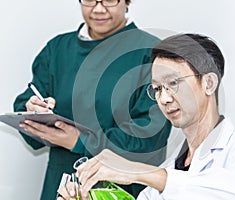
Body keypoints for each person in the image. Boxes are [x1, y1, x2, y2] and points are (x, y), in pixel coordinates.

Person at [57, 33, 235, 200]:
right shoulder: (173, 164)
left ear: (208, 83)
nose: (164, 98)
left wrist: (135, 171)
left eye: (173, 83)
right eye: (157, 89)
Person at [14, 0, 171, 199]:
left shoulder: (150, 52)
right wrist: (33, 110)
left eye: (109, 0)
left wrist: (81, 141)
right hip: (61, 184)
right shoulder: (57, 49)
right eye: (89, 0)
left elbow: (150, 135)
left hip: (123, 188)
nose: (98, 8)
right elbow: (28, 104)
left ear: (127, 2)